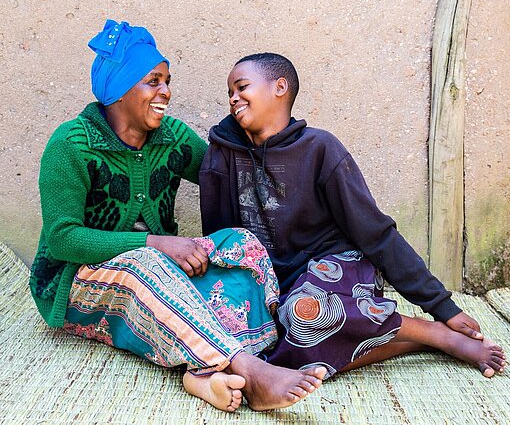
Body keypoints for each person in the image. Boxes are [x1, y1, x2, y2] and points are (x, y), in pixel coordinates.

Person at [29, 24, 326, 413]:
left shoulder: (170, 136)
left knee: (241, 243)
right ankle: (249, 369)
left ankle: (204, 373)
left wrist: (287, 163)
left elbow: (221, 170)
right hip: (77, 281)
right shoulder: (71, 144)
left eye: (167, 81)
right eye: (153, 81)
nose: (165, 92)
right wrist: (155, 242)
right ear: (120, 87)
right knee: (145, 264)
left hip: (157, 272)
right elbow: (63, 239)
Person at [199, 52, 506, 379]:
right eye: (229, 92)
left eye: (241, 86)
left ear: (280, 87)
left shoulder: (320, 148)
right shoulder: (222, 154)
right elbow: (224, 240)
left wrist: (442, 305)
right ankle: (421, 342)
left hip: (336, 266)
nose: (234, 98)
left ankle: (434, 332)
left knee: (307, 316)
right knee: (263, 349)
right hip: (274, 282)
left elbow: (376, 232)